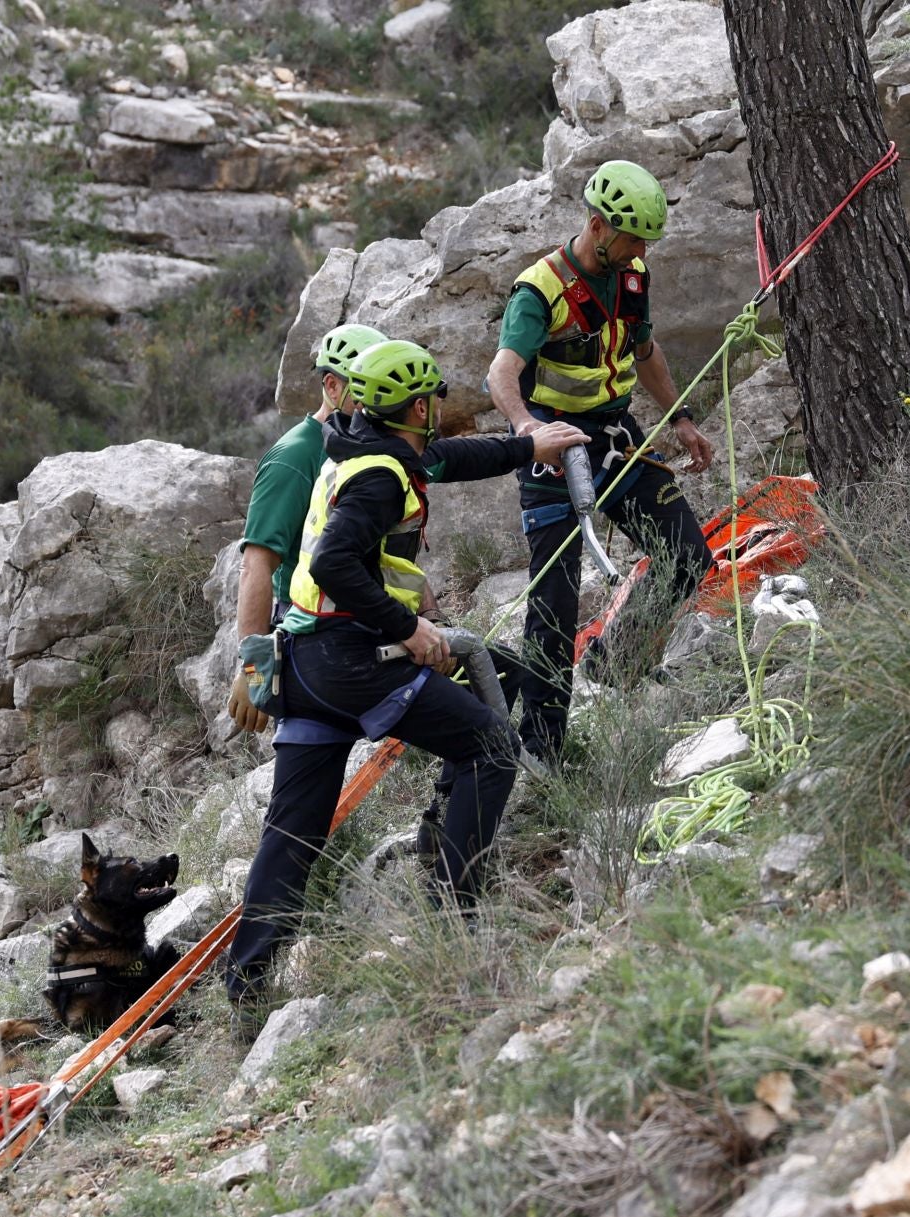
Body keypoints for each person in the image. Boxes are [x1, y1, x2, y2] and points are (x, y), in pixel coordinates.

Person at [225, 340, 588, 1003]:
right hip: (352, 658)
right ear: (419, 405)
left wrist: (526, 444)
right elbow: (335, 562)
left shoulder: (365, 449)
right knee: (489, 746)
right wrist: (409, 627)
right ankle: (453, 921)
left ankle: (245, 986)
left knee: (293, 831)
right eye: (436, 401)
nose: (439, 412)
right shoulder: (378, 476)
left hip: (304, 666)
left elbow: (451, 457)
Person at [485, 159, 718, 763]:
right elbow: (502, 373)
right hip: (551, 450)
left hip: (615, 437)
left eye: (646, 239)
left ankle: (617, 659)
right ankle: (544, 751)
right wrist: (526, 430)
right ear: (598, 226)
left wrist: (684, 418)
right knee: (553, 607)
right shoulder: (539, 290)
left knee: (687, 554)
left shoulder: (633, 275)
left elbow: (644, 353)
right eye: (635, 236)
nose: (642, 248)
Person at [227, 322, 387, 736]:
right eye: (365, 386)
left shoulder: (370, 446)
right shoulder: (296, 457)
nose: (378, 398)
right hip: (308, 629)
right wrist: (253, 667)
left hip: (366, 619)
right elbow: (256, 566)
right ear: (332, 387)